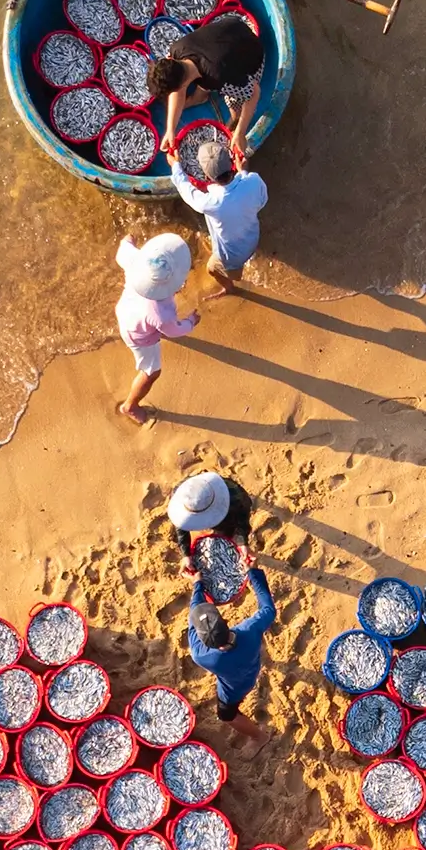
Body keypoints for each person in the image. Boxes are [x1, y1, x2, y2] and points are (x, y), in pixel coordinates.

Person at [148, 11, 264, 165]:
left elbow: (254, 92)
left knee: (234, 100)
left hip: (252, 53)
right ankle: (200, 97)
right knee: (205, 78)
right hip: (232, 27)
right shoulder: (177, 49)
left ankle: (235, 120)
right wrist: (170, 130)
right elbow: (179, 89)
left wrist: (241, 132)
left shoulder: (218, 76)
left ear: (181, 86)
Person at [188, 564, 277, 750]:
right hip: (252, 666)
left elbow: (193, 616)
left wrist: (198, 585)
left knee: (226, 714)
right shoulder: (249, 631)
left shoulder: (202, 655)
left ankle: (259, 736)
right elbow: (268, 609)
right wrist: (253, 573)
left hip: (234, 689)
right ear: (225, 621)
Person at [168, 133, 267, 298]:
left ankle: (230, 287)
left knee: (212, 269)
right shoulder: (253, 181)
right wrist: (243, 172)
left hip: (233, 255)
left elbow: (187, 190)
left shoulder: (211, 203)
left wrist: (175, 166)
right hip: (253, 238)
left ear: (207, 177)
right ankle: (238, 272)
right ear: (231, 164)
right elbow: (262, 200)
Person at [115, 232, 197, 426]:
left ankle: (131, 404)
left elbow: (122, 250)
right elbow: (173, 330)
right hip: (139, 336)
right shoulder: (161, 314)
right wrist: (190, 322)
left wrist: (129, 239)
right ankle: (130, 406)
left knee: (152, 326)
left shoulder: (136, 261)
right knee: (151, 372)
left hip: (126, 311)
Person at [168, 470, 254, 572]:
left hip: (231, 505)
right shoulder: (183, 494)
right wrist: (186, 554)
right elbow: (181, 524)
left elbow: (243, 519)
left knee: (227, 529)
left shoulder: (236, 498)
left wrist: (242, 542)